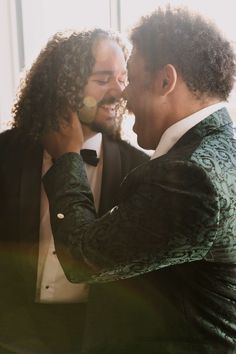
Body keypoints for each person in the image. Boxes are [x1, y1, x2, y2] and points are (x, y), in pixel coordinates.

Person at [42, 6, 236, 354]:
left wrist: (68, 157)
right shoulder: (223, 149)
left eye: (129, 78)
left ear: (165, 81)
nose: (123, 95)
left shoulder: (192, 178)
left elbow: (82, 256)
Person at [0, 28, 148, 354]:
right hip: (12, 335)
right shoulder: (6, 153)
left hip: (99, 338)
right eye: (103, 79)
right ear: (64, 87)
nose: (120, 92)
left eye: (123, 78)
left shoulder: (140, 167)